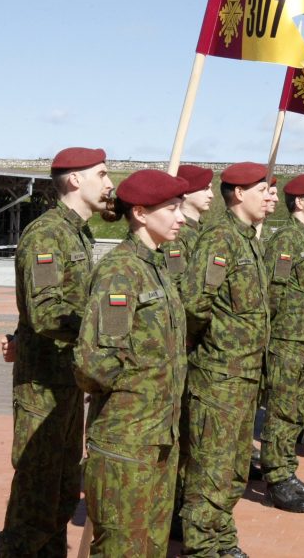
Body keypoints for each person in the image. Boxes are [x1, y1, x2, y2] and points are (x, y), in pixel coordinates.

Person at [0, 147, 113, 557]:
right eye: (102, 174)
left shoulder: (79, 232)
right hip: (43, 386)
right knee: (37, 491)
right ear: (75, 180)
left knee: (64, 489)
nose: (110, 183)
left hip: (66, 380)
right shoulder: (47, 234)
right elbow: (45, 311)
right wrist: (100, 327)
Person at [73, 170, 188, 556]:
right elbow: (93, 362)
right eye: (172, 209)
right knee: (122, 547)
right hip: (127, 440)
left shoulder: (155, 266)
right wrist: (137, 392)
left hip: (158, 437)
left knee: (150, 545)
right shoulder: (120, 272)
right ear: (140, 213)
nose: (181, 217)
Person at [180, 162, 272, 558]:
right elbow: (193, 306)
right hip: (219, 376)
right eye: (263, 189)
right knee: (210, 471)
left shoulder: (247, 239)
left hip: (245, 375)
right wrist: (214, 350)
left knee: (233, 469)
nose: (271, 196)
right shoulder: (220, 239)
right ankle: (201, 548)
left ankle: (220, 540)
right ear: (237, 193)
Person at [260, 174, 304, 512]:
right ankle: (276, 477)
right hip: (287, 342)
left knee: (294, 413)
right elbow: (274, 293)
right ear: (299, 202)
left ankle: (286, 469)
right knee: (282, 412)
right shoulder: (286, 240)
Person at [161, 164, 214, 296]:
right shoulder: (176, 232)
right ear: (186, 192)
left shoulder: (204, 230)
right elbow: (177, 281)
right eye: (205, 189)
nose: (211, 195)